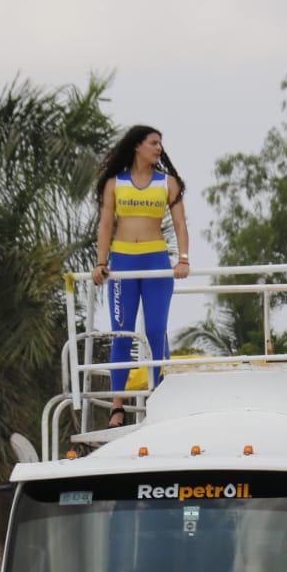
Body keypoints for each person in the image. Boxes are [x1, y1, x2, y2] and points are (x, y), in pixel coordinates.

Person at [92, 126, 191, 427]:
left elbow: (180, 224)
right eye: (153, 143)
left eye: (160, 144)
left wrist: (183, 259)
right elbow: (106, 224)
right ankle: (117, 405)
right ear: (137, 146)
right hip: (123, 263)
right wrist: (101, 262)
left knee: (156, 331)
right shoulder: (115, 183)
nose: (159, 148)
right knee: (122, 333)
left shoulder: (168, 182)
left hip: (156, 262)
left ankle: (159, 397)